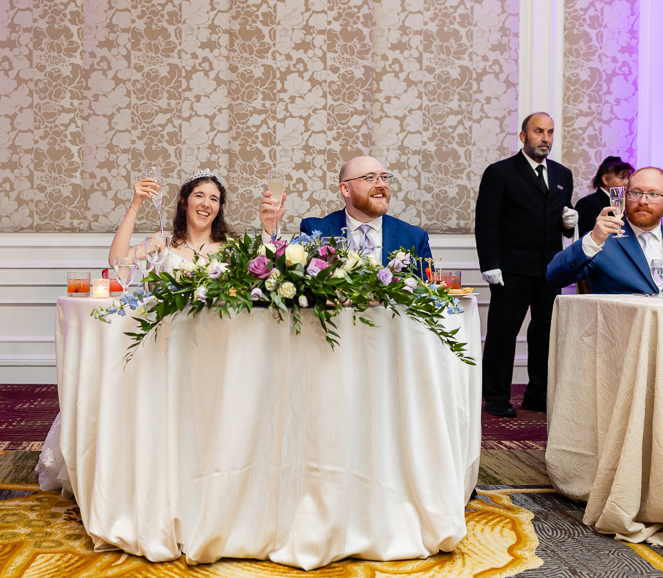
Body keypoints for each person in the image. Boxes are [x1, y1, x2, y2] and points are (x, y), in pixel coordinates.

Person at [475, 112, 576, 418]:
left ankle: (538, 394)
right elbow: (486, 223)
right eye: (538, 132)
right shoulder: (500, 173)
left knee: (545, 334)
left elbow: (559, 222)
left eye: (550, 132)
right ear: (523, 136)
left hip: (549, 269)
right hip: (510, 269)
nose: (545, 138)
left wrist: (569, 226)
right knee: (502, 334)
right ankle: (495, 396)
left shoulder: (562, 175)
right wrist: (490, 264)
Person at [258, 155, 432, 266]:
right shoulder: (315, 230)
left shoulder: (414, 238)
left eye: (384, 177)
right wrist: (271, 229)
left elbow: (427, 297)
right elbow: (285, 276)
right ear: (345, 189)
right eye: (370, 178)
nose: (381, 184)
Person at [547, 167, 663, 294]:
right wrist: (593, 240)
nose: (642, 201)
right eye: (636, 193)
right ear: (625, 196)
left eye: (653, 194)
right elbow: (555, 277)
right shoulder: (603, 241)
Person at [108, 169, 237, 272]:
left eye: (214, 199)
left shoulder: (231, 248)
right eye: (199, 196)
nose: (206, 204)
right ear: (184, 201)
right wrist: (136, 203)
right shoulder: (162, 242)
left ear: (218, 208)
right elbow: (116, 261)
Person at [574, 156, 634, 237]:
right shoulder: (587, 204)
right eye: (622, 178)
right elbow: (587, 238)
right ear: (605, 179)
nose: (627, 182)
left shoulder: (627, 202)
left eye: (628, 178)